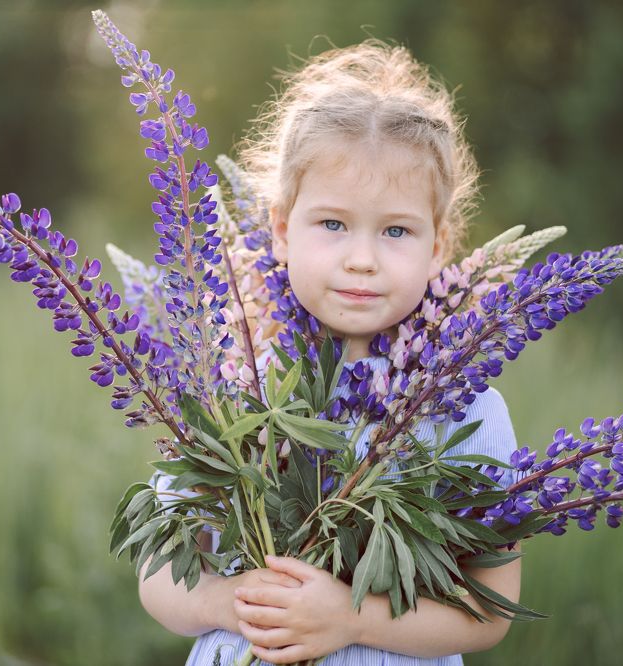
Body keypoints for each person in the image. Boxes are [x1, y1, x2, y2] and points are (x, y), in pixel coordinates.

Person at [139, 39, 521, 665]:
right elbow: (159, 566)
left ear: (440, 246)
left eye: (396, 230)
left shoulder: (466, 408)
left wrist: (350, 620)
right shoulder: (238, 387)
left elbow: (488, 606)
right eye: (333, 224)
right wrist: (225, 602)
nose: (361, 258)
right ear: (282, 230)